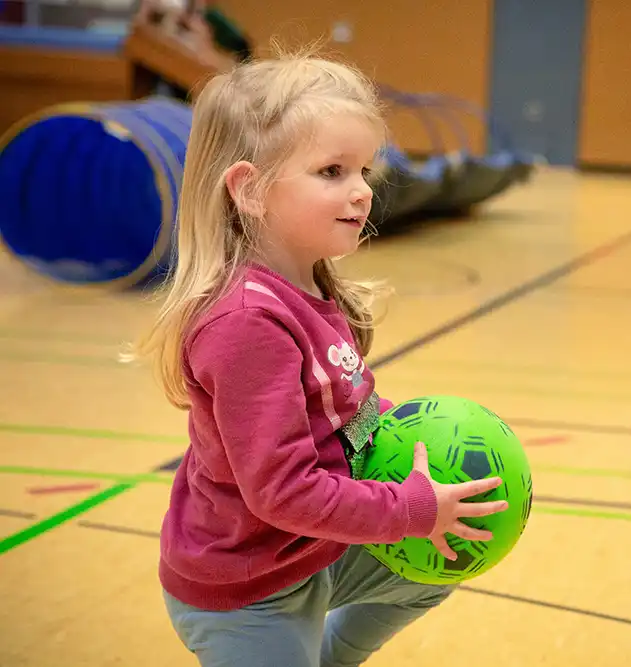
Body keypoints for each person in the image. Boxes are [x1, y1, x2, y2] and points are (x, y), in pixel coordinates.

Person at [126, 47, 509, 667]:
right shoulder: (247, 324)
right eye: (332, 171)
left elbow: (341, 410)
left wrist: (405, 441)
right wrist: (409, 510)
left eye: (364, 170)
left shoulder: (310, 284)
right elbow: (281, 492)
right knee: (423, 532)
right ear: (250, 189)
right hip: (249, 588)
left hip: (315, 548)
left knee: (441, 558)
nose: (362, 191)